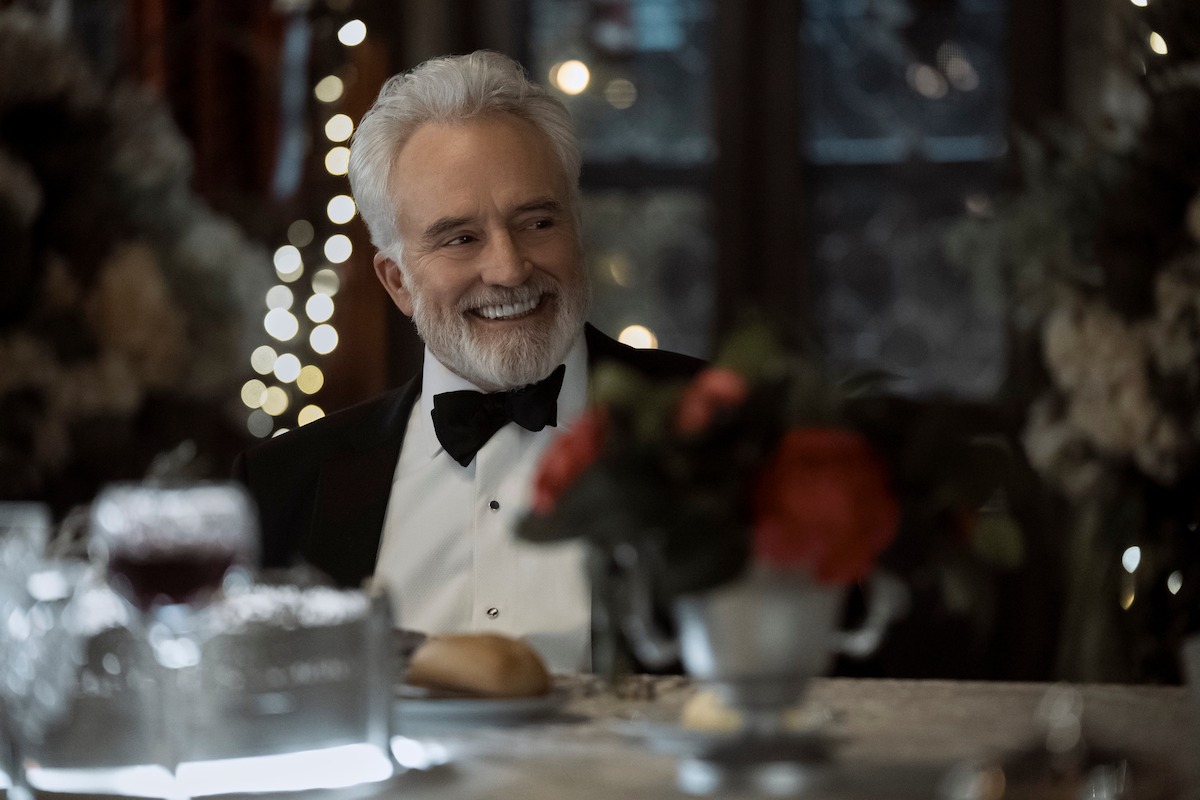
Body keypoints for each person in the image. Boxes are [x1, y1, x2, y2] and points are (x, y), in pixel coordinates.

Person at [235, 50, 703, 672]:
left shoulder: (717, 428)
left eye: (537, 222)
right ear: (397, 280)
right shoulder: (281, 488)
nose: (509, 269)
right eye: (460, 238)